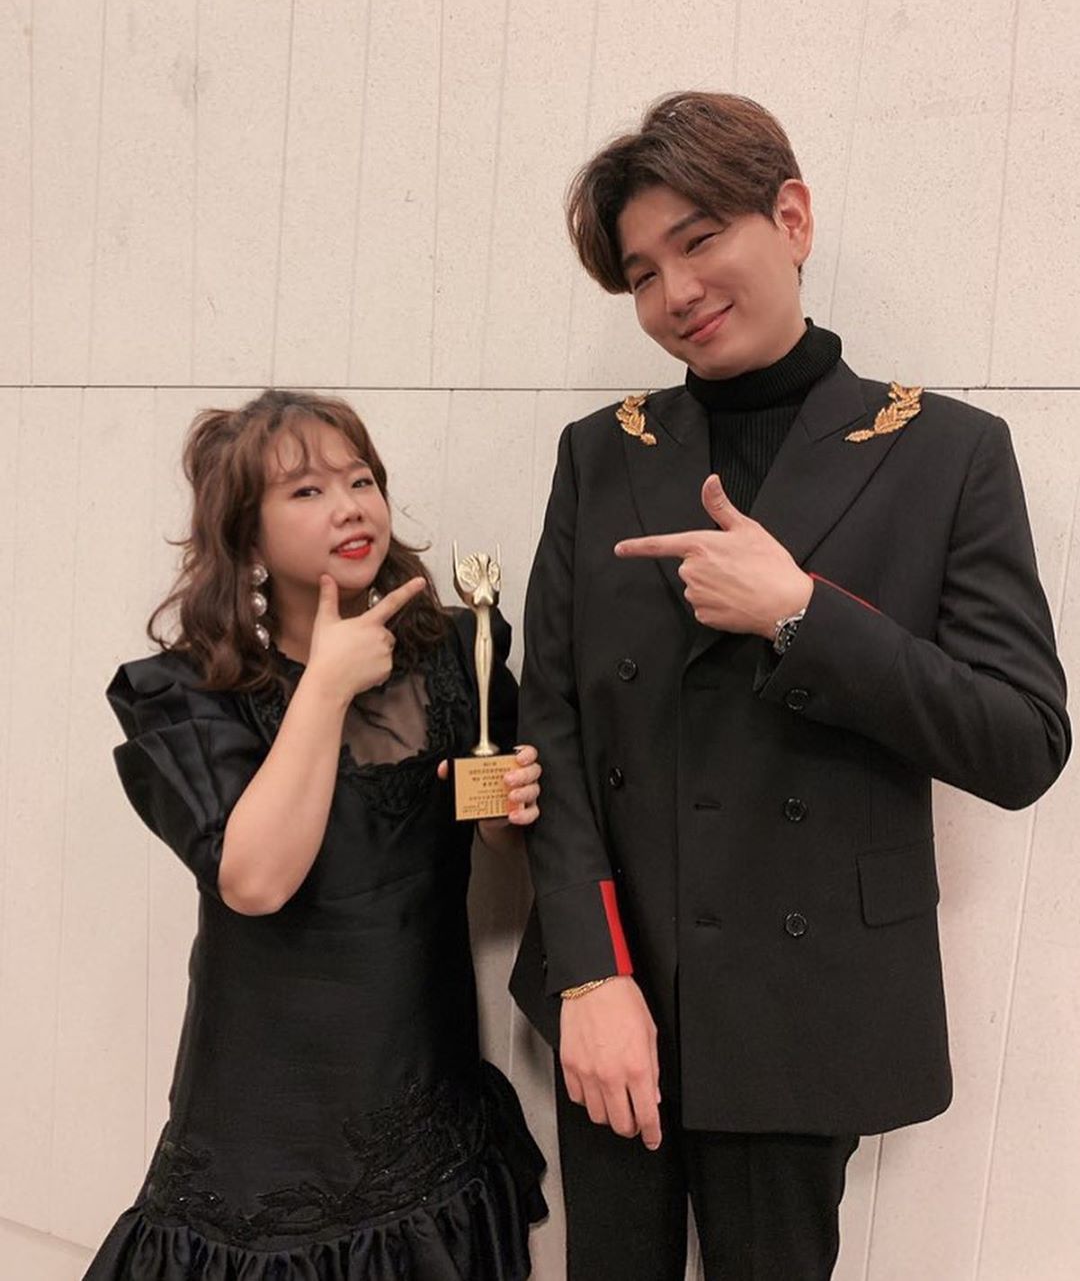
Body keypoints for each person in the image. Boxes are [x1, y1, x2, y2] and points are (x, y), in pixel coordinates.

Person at [509, 92, 1070, 1281]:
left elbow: (1022, 741)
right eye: (642, 272)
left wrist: (804, 615)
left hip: (803, 996)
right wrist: (590, 969)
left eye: (700, 238)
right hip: (619, 985)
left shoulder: (944, 451)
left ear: (794, 217)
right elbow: (549, 724)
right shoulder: (602, 452)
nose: (675, 292)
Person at [85, 389, 546, 1281]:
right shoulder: (193, 693)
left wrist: (503, 818)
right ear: (249, 538)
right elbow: (257, 880)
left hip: (422, 1096)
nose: (349, 506)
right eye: (306, 490)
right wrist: (327, 685)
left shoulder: (458, 651)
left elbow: (498, 846)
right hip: (267, 1126)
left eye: (361, 479)